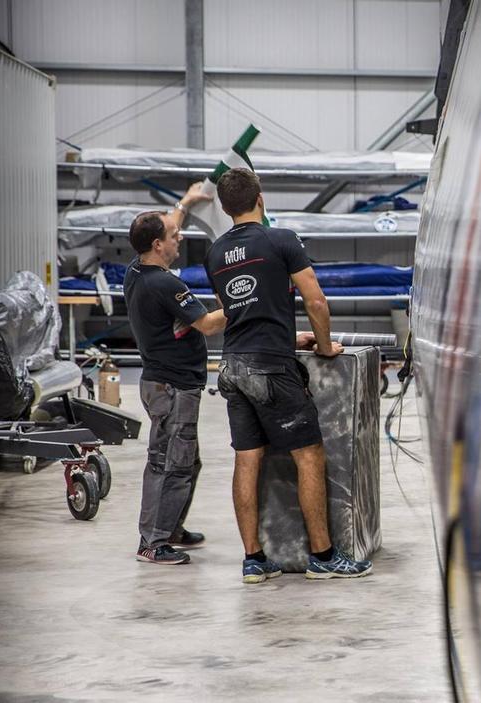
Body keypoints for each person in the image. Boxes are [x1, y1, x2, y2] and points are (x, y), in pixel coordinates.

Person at [204, 168, 373, 584]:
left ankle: (254, 560)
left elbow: (241, 307)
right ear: (260, 198)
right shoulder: (281, 240)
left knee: (247, 459)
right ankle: (323, 556)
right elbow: (315, 300)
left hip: (232, 365)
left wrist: (283, 335)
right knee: (310, 454)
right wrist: (323, 343)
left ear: (225, 208)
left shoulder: (215, 253)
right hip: (270, 368)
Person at [124, 184, 227, 565]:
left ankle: (171, 529)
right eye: (172, 236)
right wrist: (245, 299)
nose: (178, 237)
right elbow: (208, 325)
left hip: (157, 382)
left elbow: (165, 225)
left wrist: (185, 203)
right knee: (174, 464)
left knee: (181, 460)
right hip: (175, 387)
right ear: (156, 245)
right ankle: (153, 542)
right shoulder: (166, 284)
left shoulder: (136, 271)